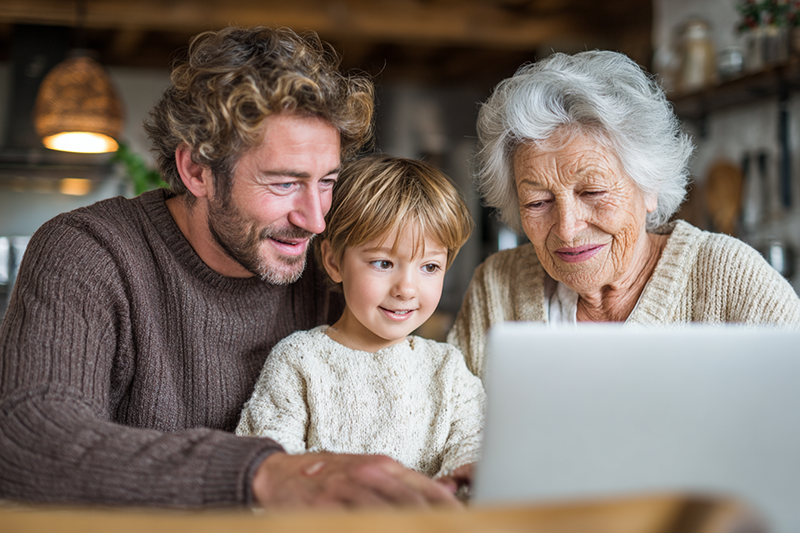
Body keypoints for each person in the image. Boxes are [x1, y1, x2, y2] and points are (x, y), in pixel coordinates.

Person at [0, 26, 461, 509]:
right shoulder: (91, 253)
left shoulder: (331, 265)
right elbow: (26, 436)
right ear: (196, 171)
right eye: (284, 183)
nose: (316, 219)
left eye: (326, 181)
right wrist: (264, 472)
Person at [448, 50, 800, 378]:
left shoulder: (732, 281)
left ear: (650, 187)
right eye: (538, 202)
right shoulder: (496, 288)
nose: (567, 230)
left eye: (593, 192)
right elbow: (450, 431)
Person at [235, 155, 484, 496]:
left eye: (429, 267)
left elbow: (475, 452)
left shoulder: (449, 370)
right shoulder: (299, 361)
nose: (407, 289)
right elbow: (265, 472)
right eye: (383, 263)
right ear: (334, 261)